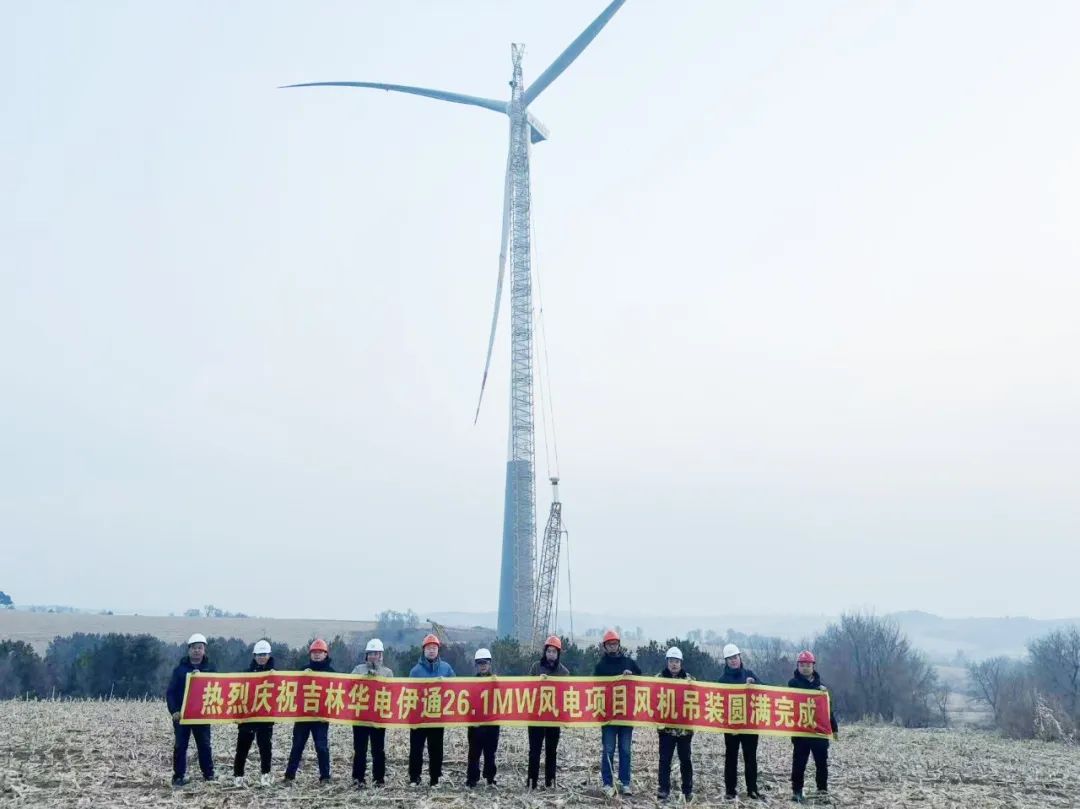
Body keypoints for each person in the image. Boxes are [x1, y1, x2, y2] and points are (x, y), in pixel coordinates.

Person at [594, 629, 642, 797]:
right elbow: (594, 688)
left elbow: (642, 681)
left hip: (626, 715)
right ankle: (608, 783)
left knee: (625, 749)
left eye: (615, 644)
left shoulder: (629, 663)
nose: (612, 647)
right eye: (609, 644)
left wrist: (632, 676)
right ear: (605, 647)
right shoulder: (600, 666)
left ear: (619, 645)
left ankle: (624, 782)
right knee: (608, 749)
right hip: (608, 715)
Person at [788, 650, 838, 804]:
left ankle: (822, 793)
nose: (805, 668)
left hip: (819, 733)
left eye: (808, 665)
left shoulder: (821, 687)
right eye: (802, 665)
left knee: (821, 764)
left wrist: (834, 728)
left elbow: (827, 711)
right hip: (801, 732)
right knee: (799, 764)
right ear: (798, 666)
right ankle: (797, 792)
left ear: (813, 666)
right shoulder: (793, 684)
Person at [165, 633, 215, 787]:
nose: (197, 651)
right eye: (194, 648)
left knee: (204, 745)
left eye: (200, 648)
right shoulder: (179, 670)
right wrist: (174, 711)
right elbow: (170, 693)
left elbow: (218, 689)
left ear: (204, 650)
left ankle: (209, 775)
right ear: (189, 650)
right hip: (182, 716)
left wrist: (202, 677)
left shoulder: (210, 669)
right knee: (180, 746)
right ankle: (179, 776)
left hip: (201, 715)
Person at [284, 639, 335, 784]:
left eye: (320, 652)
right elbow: (293, 689)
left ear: (326, 654)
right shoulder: (303, 670)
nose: (317, 655)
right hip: (303, 716)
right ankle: (289, 775)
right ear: (310, 654)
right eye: (314, 652)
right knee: (297, 745)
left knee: (321, 747)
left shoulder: (332, 673)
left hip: (321, 717)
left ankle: (325, 776)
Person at [408, 634, 455, 787]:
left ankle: (434, 778)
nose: (431, 651)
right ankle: (414, 777)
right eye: (429, 648)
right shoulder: (415, 671)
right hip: (419, 717)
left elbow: (457, 687)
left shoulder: (446, 668)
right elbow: (408, 693)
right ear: (423, 650)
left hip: (437, 716)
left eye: (434, 648)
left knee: (436, 750)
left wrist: (446, 683)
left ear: (438, 650)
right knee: (416, 749)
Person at [527, 635, 570, 789]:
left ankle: (550, 781)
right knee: (534, 751)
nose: (551, 654)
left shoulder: (564, 672)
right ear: (545, 652)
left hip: (553, 717)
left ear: (558, 654)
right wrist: (538, 681)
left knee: (551, 751)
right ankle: (532, 781)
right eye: (549, 651)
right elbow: (528, 690)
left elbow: (565, 695)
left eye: (554, 651)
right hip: (536, 717)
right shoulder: (535, 667)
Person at [720, 643, 761, 800]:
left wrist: (755, 684)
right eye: (729, 659)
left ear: (740, 657)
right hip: (731, 726)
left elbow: (765, 691)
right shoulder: (722, 680)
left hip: (750, 726)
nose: (733, 661)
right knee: (731, 758)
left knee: (750, 758)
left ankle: (752, 789)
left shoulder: (749, 674)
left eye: (735, 657)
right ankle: (730, 791)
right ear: (726, 661)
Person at [350, 638, 393, 788]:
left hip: (378, 718)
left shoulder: (387, 672)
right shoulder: (358, 669)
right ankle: (358, 777)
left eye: (376, 653)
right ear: (366, 655)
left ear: (381, 655)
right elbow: (349, 687)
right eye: (371, 653)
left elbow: (392, 692)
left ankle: (379, 778)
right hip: (360, 717)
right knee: (360, 749)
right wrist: (365, 678)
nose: (374, 656)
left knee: (378, 749)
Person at [234, 639, 275, 787]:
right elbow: (238, 695)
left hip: (265, 718)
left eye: (264, 654)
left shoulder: (276, 675)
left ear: (269, 655)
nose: (261, 657)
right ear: (254, 656)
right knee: (242, 748)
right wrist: (237, 715)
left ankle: (265, 775)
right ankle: (238, 776)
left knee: (265, 748)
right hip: (248, 717)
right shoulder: (246, 674)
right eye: (258, 655)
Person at [656, 647, 693, 802]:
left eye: (677, 661)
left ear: (681, 663)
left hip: (684, 730)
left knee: (685, 760)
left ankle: (687, 790)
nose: (674, 664)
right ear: (667, 662)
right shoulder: (658, 678)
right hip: (666, 729)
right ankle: (664, 789)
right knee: (665, 760)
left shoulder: (690, 679)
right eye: (671, 661)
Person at [466, 648, 500, 788]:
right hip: (475, 724)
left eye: (485, 662)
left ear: (490, 663)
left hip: (492, 723)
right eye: (480, 663)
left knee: (490, 753)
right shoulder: (471, 683)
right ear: (476, 665)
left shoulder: (496, 681)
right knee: (474, 753)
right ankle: (472, 779)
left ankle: (490, 778)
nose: (483, 665)